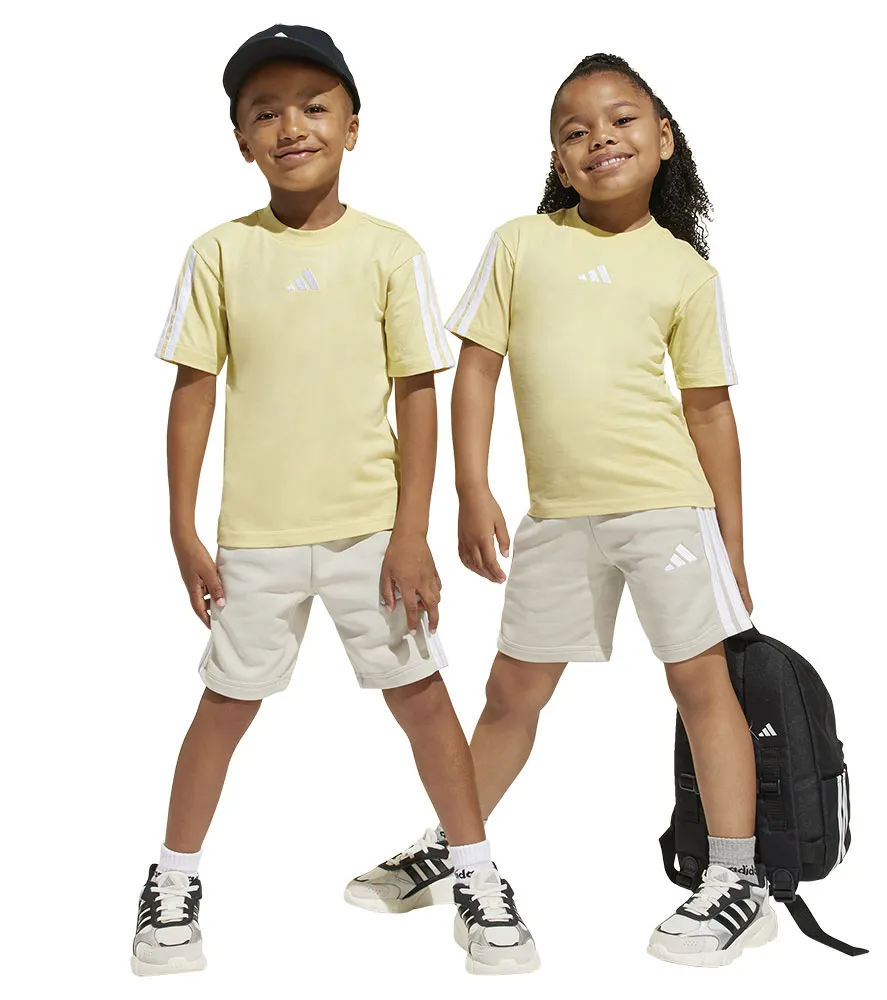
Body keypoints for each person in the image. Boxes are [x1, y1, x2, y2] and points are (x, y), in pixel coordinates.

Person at [345, 52, 776, 969]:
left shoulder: (685, 271)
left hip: (667, 510)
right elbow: (477, 371)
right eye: (575, 132)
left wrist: (732, 545)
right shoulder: (522, 244)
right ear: (557, 158)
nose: (599, 140)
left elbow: (710, 414)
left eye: (621, 121)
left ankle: (738, 878)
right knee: (513, 692)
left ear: (664, 139)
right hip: (557, 516)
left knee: (701, 686)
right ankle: (454, 842)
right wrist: (472, 489)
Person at [131, 24, 538, 978]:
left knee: (424, 702)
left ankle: (475, 873)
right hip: (257, 538)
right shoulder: (219, 252)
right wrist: (182, 529)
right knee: (223, 706)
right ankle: (171, 883)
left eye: (315, 107)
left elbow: (416, 395)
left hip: (372, 536)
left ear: (353, 126)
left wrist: (413, 534)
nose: (292, 127)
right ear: (242, 139)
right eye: (265, 112)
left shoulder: (389, 251)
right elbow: (193, 393)